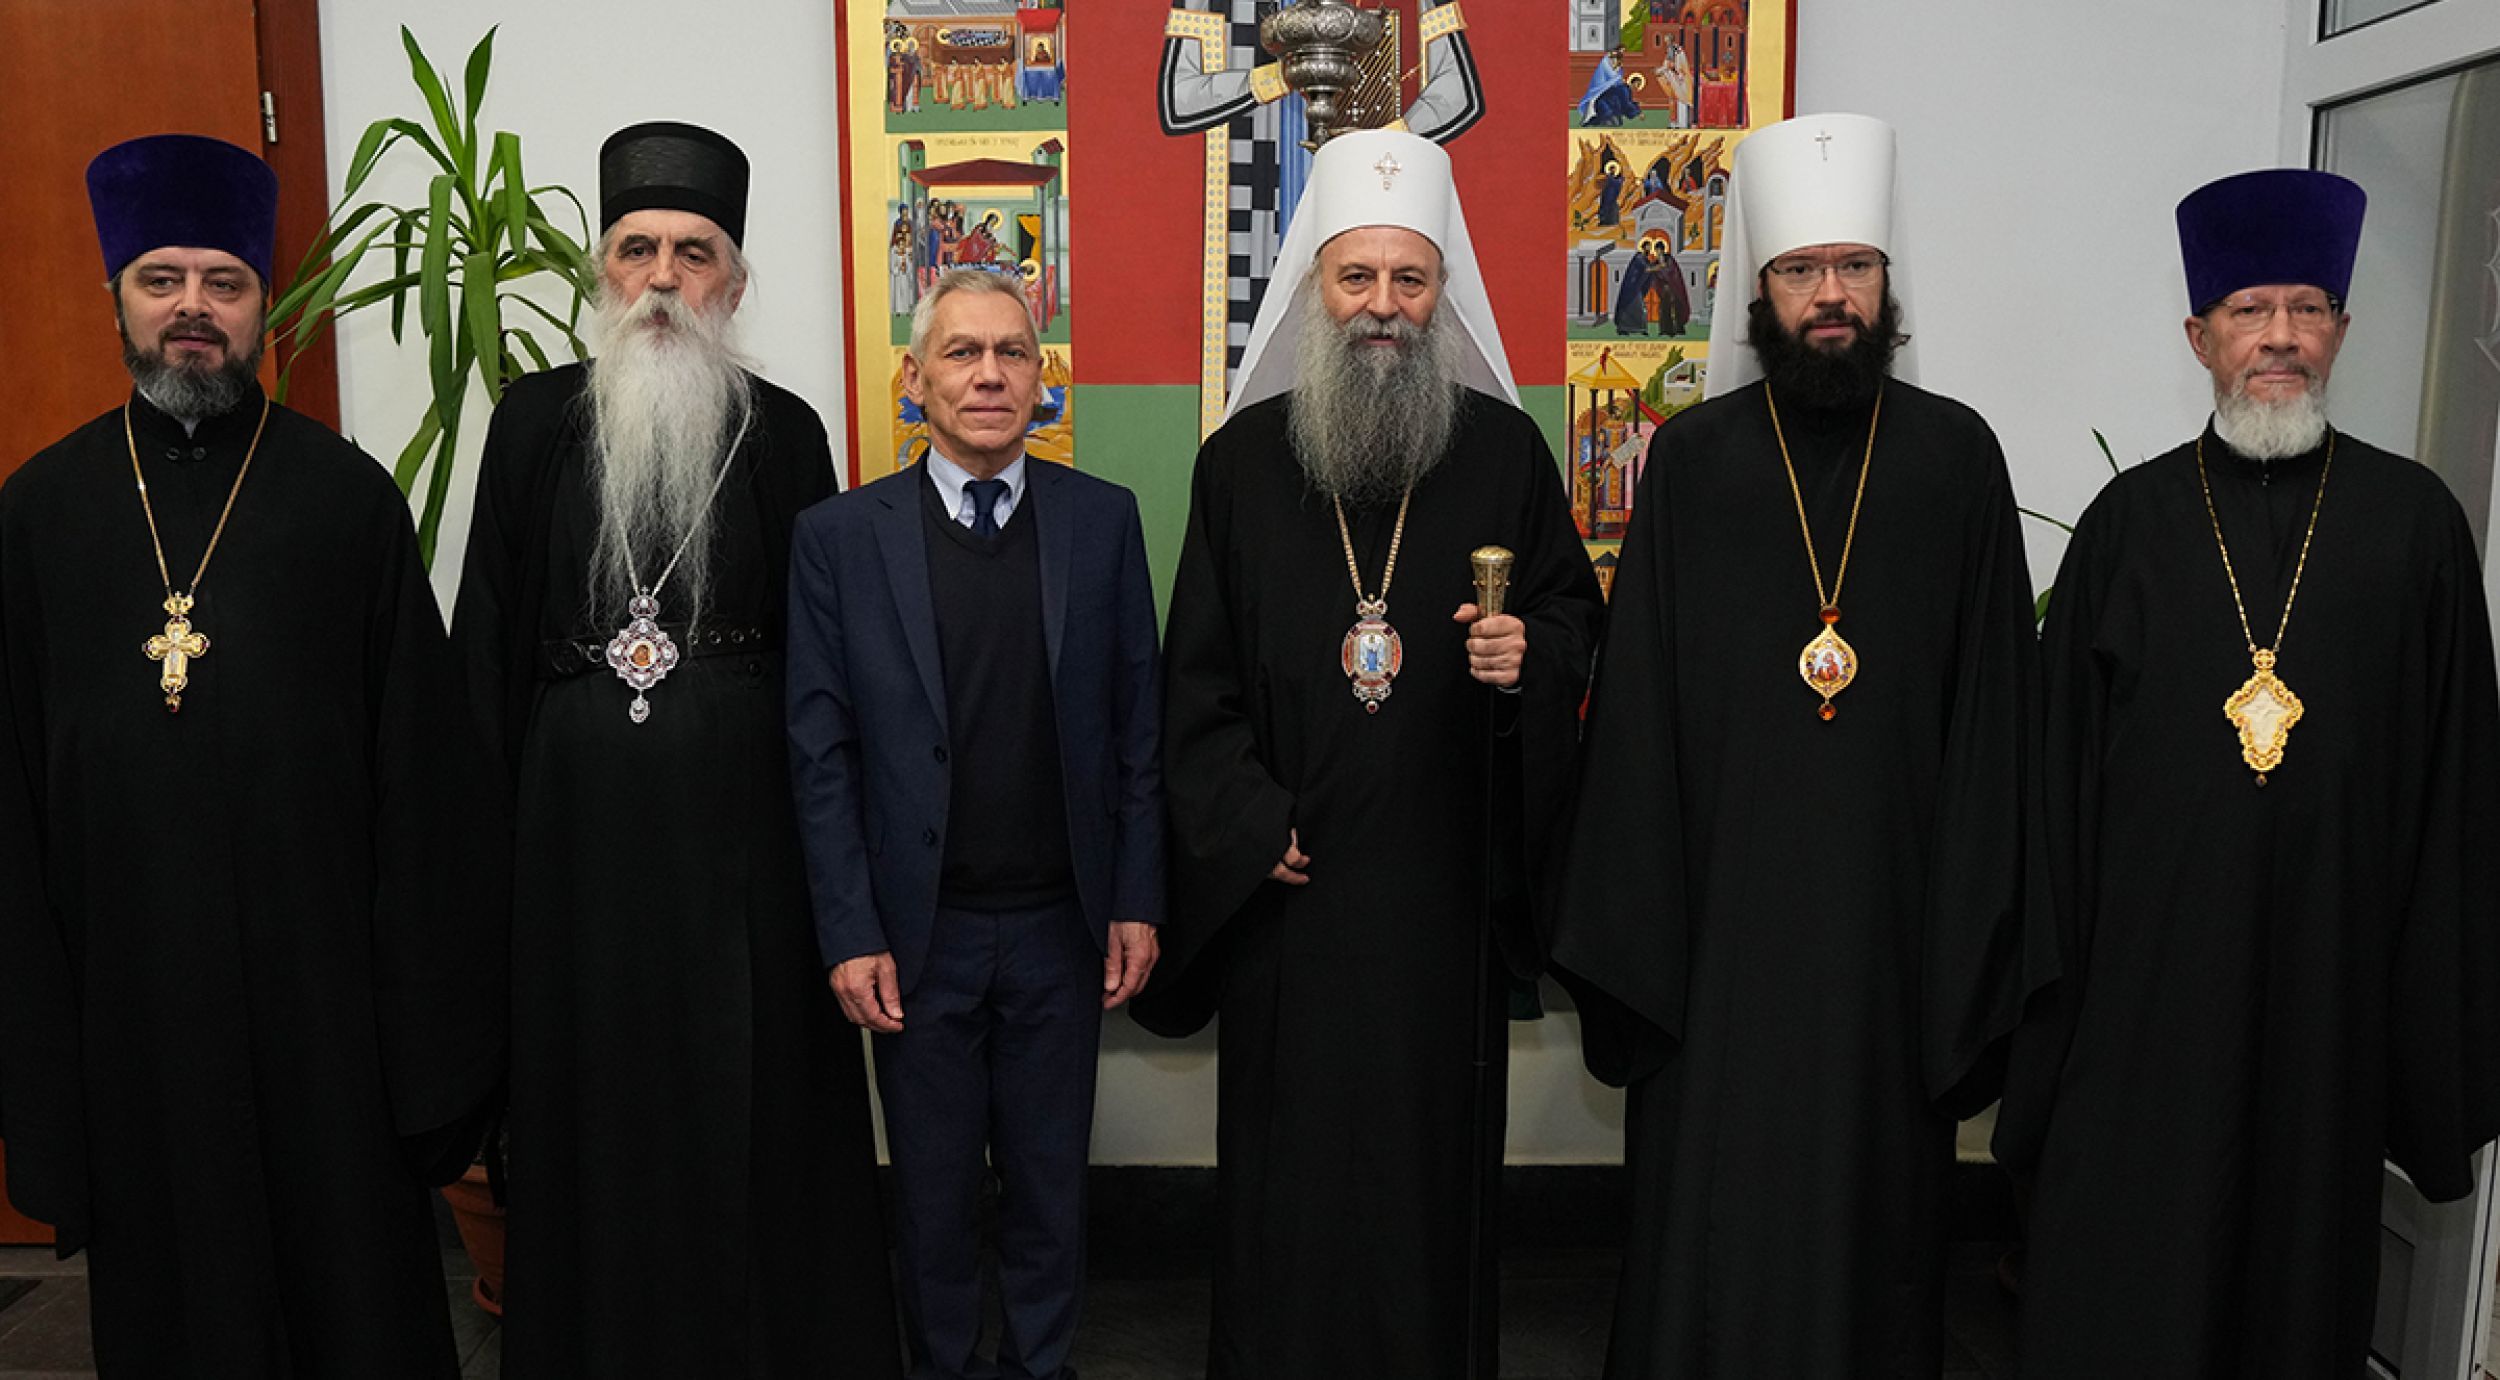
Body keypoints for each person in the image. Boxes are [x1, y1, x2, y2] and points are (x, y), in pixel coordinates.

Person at [1549, 113, 2049, 1376]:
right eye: (1800, 271)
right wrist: (1643, 937)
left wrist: (1968, 946)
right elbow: (1639, 722)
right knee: (1711, 1229)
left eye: (1854, 268)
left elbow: (1997, 723)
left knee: (1873, 1240)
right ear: (1759, 296)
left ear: (1886, 286)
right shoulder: (1693, 462)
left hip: (1892, 947)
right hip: (1715, 952)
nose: (1830, 295)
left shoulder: (1956, 458)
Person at [0, 133, 505, 1377]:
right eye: (160, 279)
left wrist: (428, 1057)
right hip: (134, 1022)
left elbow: (425, 792)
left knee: (357, 1315)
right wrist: (42, 1077)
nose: (191, 310)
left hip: (328, 1017)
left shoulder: (346, 502)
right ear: (115, 296)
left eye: (221, 282)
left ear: (262, 304)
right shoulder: (39, 513)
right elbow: (9, 815)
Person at [1994, 168, 2500, 1378]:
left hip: (2331, 1000)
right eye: (2246, 310)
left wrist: (2426, 1041)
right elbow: (2052, 801)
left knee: (2296, 1300)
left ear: (2338, 330)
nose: (2278, 336)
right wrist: (2047, 1039)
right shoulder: (2130, 524)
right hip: (2144, 1011)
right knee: (2131, 1296)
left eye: (2306, 307)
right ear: (2197, 336)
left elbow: (2455, 802)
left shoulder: (2415, 523)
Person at [1139, 128, 1604, 1378]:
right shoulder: (1240, 466)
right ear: (1314, 293)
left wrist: (1529, 657)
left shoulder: (1504, 453)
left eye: (1410, 280)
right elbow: (1195, 682)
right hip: (1287, 913)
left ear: (1442, 294)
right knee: (1292, 1195)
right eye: (1358, 280)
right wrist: (1245, 820)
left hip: (1439, 905)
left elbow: (1573, 623)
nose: (1384, 308)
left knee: (1427, 1186)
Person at [449, 121, 898, 1378]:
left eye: (692, 253)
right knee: (588, 1119)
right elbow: (487, 640)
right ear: (601, 275)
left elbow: (832, 673)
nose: (662, 277)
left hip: (743, 853)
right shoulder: (533, 422)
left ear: (735, 282)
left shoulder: (787, 430)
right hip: (570, 852)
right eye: (636, 248)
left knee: (751, 1113)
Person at [787, 266, 1163, 1380]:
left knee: (1052, 1190)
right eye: (961, 352)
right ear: (914, 379)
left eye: (1011, 352)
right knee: (936, 1199)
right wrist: (850, 928)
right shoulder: (838, 539)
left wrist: (1137, 898)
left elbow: (1138, 727)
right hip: (917, 940)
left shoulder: (1103, 522)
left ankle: (1041, 1367)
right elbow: (819, 754)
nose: (989, 374)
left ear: (1041, 380)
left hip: (1061, 930)